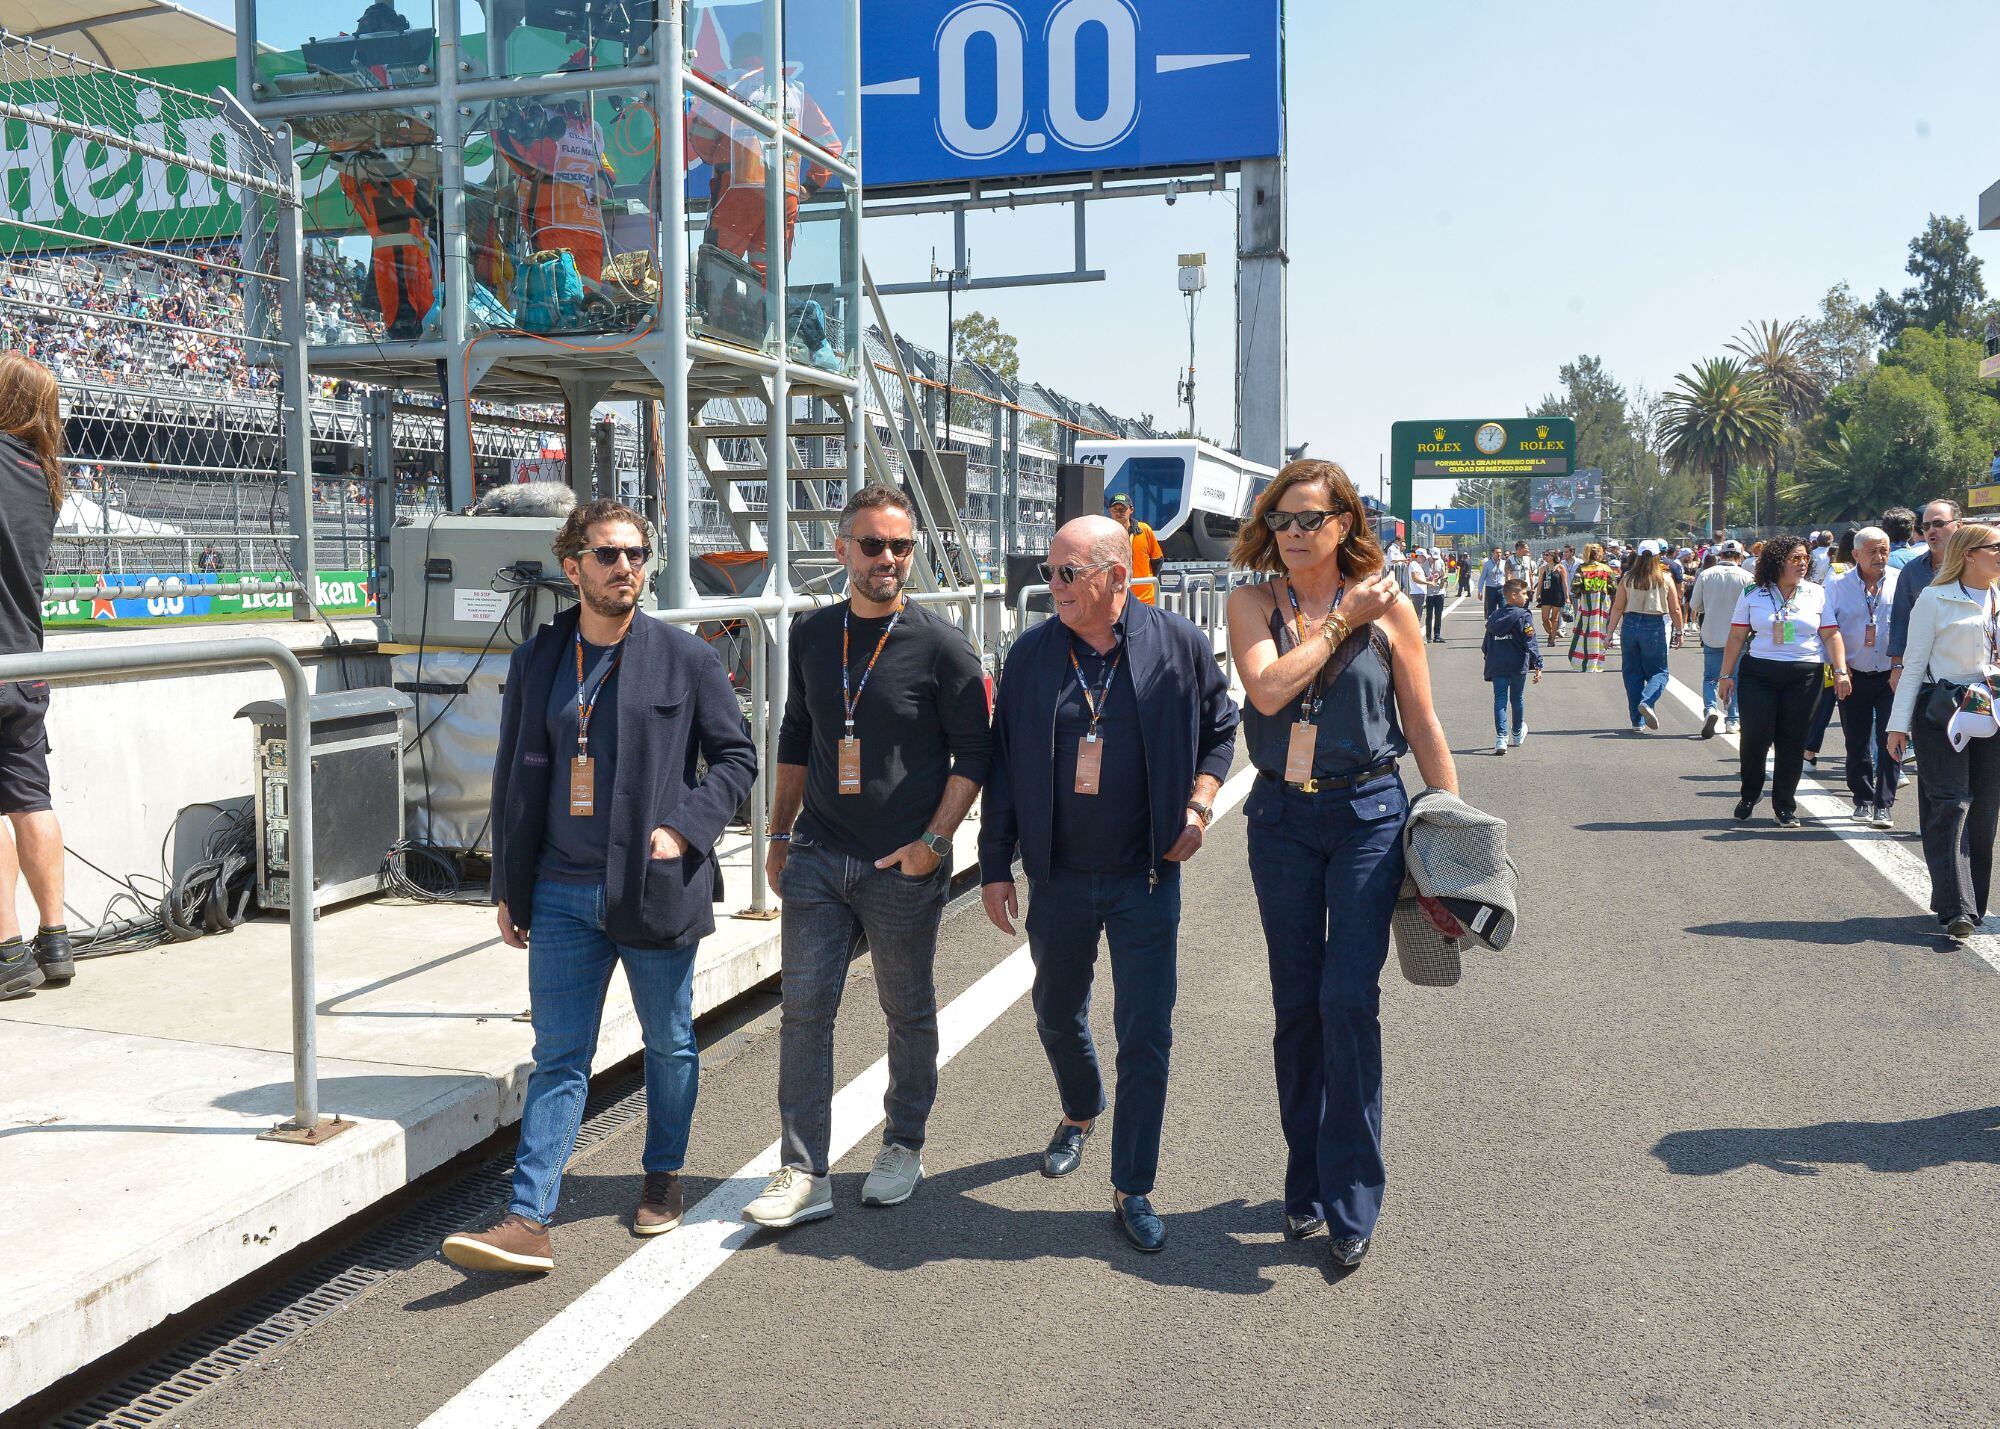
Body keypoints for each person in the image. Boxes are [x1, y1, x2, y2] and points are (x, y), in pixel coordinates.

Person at [443, 499, 757, 1274]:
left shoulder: (687, 658)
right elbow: (513, 773)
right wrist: (507, 885)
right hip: (557, 890)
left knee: (671, 1043)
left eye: (638, 554)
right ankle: (528, 1216)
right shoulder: (539, 659)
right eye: (610, 554)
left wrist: (683, 828)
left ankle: (663, 1173)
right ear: (573, 564)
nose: (626, 567)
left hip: (650, 885)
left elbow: (736, 759)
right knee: (559, 1057)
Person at [981, 516, 1238, 1255]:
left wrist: (1200, 800)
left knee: (1146, 1032)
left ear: (1116, 577)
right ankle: (1080, 1105)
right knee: (1056, 1011)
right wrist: (997, 864)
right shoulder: (1031, 655)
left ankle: (1133, 1184)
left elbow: (1223, 726)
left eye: (1069, 573)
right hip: (1058, 874)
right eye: (1050, 571)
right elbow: (1002, 765)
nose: (1052, 585)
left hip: (1145, 876)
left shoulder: (1178, 645)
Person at [1224, 459, 1457, 1271]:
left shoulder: (1391, 608)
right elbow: (1267, 692)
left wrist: (1451, 829)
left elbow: (1422, 723)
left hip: (1368, 814)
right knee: (1296, 1006)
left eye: (1310, 520)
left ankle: (1353, 1194)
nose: (1293, 534)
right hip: (1283, 818)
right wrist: (1336, 623)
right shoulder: (1251, 600)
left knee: (1346, 999)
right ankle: (1307, 1181)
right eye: (1282, 520)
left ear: (1345, 524)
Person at [744, 487, 992, 1230]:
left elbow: (975, 752)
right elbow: (794, 734)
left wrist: (935, 844)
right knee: (805, 1011)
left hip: (900, 865)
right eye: (874, 545)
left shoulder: (943, 645)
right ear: (842, 550)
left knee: (906, 1009)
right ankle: (803, 1169)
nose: (889, 559)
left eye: (901, 546)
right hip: (818, 853)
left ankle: (903, 1142)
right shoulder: (815, 636)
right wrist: (778, 833)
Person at [1888, 523, 2000, 941]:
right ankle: (1957, 908)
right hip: (1944, 711)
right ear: (1970, 553)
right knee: (1951, 805)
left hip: (1992, 711)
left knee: (1986, 809)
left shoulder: (1998, 597)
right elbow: (1912, 666)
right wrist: (1898, 725)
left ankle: (1972, 900)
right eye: (1995, 546)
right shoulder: (1935, 598)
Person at [0, 354, 72, 1000]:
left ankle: (4, 950)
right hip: (27, 665)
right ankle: (56, 941)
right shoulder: (45, 477)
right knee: (31, 799)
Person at [1716, 535, 1851, 830]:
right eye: (1795, 559)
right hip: (1760, 673)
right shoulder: (1753, 593)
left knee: (1792, 742)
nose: (1802, 564)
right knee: (1756, 738)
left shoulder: (1817, 593)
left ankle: (1785, 806)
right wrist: (1726, 675)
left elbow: (1831, 633)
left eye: (1805, 558)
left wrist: (1840, 670)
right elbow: (1737, 636)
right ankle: (1749, 794)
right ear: (1778, 562)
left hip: (1805, 674)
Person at [1826, 527, 1899, 828]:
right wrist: (1840, 670)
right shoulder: (1837, 585)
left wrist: (1900, 667)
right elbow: (1828, 630)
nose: (1880, 556)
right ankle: (1863, 799)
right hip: (1852, 675)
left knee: (1891, 739)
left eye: (1884, 550)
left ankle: (1884, 804)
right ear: (1855, 554)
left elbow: (1911, 628)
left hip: (1891, 674)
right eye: (1872, 551)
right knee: (1856, 740)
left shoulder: (1898, 580)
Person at [498, 98, 618, 282]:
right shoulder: (541, 115)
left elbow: (603, 163)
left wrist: (603, 178)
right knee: (557, 293)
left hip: (589, 228)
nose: (587, 100)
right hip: (552, 223)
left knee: (591, 296)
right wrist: (547, 135)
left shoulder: (594, 128)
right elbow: (525, 162)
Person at [1606, 542, 1685, 732]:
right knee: (1659, 672)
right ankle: (1647, 701)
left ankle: (1637, 721)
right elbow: (1675, 608)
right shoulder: (1665, 578)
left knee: (1632, 674)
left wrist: (1609, 632)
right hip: (1654, 625)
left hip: (1630, 624)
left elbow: (1617, 607)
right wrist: (1680, 631)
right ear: (1658, 557)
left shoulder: (1627, 578)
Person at [1890, 500, 1963, 691]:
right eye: (1925, 526)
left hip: (1969, 674)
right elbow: (1901, 621)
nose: (1931, 531)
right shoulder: (1912, 571)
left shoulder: (1976, 566)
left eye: (1939, 524)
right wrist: (1897, 666)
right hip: (1926, 679)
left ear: (1959, 525)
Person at [1690, 539, 1753, 736]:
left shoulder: (1706, 575)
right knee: (1735, 677)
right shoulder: (1748, 577)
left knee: (1711, 677)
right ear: (1739, 556)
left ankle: (1710, 708)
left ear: (1721, 555)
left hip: (1711, 632)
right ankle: (1732, 719)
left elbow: (1695, 605)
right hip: (1739, 635)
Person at [1484, 577, 1543, 754]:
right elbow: (1530, 640)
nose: (1526, 597)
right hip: (1517, 663)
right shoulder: (1523, 616)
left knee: (1500, 700)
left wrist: (1489, 657)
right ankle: (1517, 732)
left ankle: (1501, 738)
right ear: (1513, 595)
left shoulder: (1494, 616)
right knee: (1516, 698)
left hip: (1497, 663)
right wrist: (1538, 664)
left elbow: (1486, 643)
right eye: (1524, 594)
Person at [1106, 491, 1165, 606]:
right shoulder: (1106, 534)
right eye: (1115, 509)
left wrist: (1145, 580)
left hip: (1144, 598)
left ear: (1131, 510)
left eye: (1122, 509)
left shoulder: (1144, 530)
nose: (1119, 513)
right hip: (1117, 597)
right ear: (1109, 511)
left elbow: (1157, 560)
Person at [1567, 543, 1616, 673]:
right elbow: (1613, 588)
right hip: (1602, 605)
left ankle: (1583, 661)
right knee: (1600, 632)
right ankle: (1597, 662)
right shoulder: (1606, 568)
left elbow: (1575, 588)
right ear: (1599, 553)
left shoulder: (1582, 568)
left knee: (1584, 632)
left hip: (1587, 605)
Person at [1535, 549, 1568, 647]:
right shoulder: (1543, 568)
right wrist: (1538, 594)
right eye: (1544, 555)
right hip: (1546, 595)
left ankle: (1552, 639)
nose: (1545, 557)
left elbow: (1564, 583)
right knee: (1545, 619)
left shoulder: (1560, 567)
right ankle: (1552, 632)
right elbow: (1540, 582)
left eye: (1547, 555)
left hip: (1557, 594)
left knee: (1554, 618)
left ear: (1553, 556)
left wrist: (1567, 596)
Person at [1423, 549, 1448, 642]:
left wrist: (1442, 578)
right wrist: (1429, 578)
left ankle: (1437, 635)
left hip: (1439, 591)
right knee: (1429, 615)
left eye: (1436, 558)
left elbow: (1443, 574)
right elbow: (1420, 577)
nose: (1435, 560)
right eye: (1433, 558)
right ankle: (1428, 636)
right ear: (1430, 555)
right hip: (1429, 592)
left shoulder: (1440, 561)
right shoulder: (1424, 564)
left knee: (1438, 614)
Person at [1477, 545, 1508, 617]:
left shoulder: (1504, 563)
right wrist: (1480, 591)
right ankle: (1491, 626)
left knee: (1503, 610)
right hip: (1491, 589)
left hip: (1501, 588)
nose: (1499, 554)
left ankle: (1502, 627)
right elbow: (1482, 578)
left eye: (1500, 552)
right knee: (1491, 611)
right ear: (1492, 553)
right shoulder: (1487, 564)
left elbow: (1507, 576)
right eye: (1497, 552)